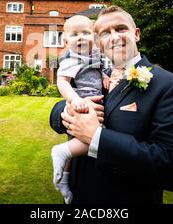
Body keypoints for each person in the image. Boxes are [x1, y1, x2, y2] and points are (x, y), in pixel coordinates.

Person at [49, 6, 173, 204]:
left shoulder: (169, 86)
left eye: (120, 29)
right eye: (105, 33)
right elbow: (60, 105)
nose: (114, 37)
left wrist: (96, 137)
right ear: (98, 43)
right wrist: (65, 112)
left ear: (136, 34)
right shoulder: (96, 76)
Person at [51, 15, 109, 204]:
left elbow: (96, 71)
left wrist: (104, 78)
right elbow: (62, 82)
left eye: (85, 33)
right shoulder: (71, 59)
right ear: (66, 42)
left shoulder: (93, 56)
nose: (81, 38)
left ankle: (65, 181)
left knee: (75, 143)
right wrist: (75, 100)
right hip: (83, 103)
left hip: (88, 99)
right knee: (97, 136)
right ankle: (61, 152)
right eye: (75, 35)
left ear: (93, 36)